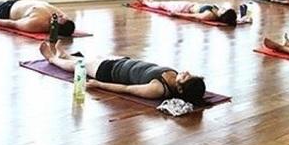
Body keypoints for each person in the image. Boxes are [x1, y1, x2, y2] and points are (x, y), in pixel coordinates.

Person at [39, 41, 206, 104]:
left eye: (186, 77)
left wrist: (99, 85)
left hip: (108, 71)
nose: (186, 72)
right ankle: (66, 55)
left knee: (79, 66)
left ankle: (53, 59)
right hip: (122, 61)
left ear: (181, 89)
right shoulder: (173, 76)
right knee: (87, 59)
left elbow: (126, 89)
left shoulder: (157, 89)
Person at [135, 0, 238, 26]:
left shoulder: (209, 15)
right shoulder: (216, 12)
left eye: (224, 10)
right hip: (188, 5)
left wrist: (176, 14)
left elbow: (193, 16)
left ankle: (144, 2)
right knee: (165, 3)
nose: (223, 8)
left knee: (162, 4)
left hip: (183, 8)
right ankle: (150, 1)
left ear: (223, 15)